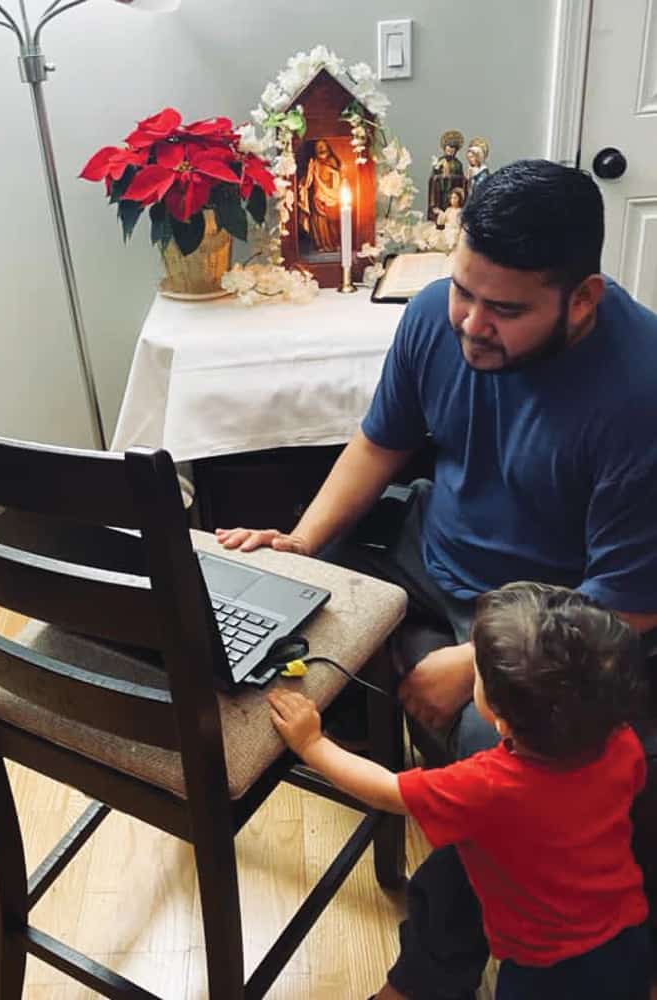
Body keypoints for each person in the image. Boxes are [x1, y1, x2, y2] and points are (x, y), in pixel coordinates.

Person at [216, 159, 657, 998]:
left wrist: (471, 666)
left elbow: (630, 603)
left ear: (584, 299)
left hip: (550, 620)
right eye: (464, 290)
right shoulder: (434, 316)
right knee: (265, 582)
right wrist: (303, 542)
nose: (470, 323)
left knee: (494, 753)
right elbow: (382, 441)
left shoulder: (642, 393)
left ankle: (430, 975)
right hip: (430, 553)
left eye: (505, 309)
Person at [268, 584, 651, 1000]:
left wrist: (312, 745)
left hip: (544, 967)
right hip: (625, 934)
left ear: (500, 722)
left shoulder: (484, 786)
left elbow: (385, 789)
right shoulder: (623, 743)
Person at [298, 138, 342, 253]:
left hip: (331, 198)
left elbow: (336, 181)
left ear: (328, 148)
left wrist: (328, 190)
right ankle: (321, 244)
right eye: (318, 147)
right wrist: (304, 182)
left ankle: (334, 243)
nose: (321, 149)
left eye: (323, 146)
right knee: (319, 223)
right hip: (317, 198)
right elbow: (308, 180)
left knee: (332, 223)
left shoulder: (332, 162)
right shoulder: (314, 164)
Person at [428, 130, 465, 220]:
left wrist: (451, 177)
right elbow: (432, 179)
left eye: (453, 148)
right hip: (440, 193)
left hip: (452, 193)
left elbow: (461, 180)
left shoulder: (458, 164)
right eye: (449, 146)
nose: (450, 149)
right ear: (445, 147)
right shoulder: (439, 161)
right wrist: (439, 176)